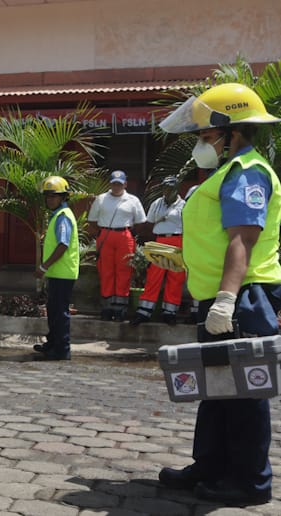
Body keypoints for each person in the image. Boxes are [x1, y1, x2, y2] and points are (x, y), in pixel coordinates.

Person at [157, 82, 281, 505]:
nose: (200, 144)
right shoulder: (227, 172)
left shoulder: (248, 173)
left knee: (244, 393)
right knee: (217, 388)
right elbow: (215, 238)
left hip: (243, 298)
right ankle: (210, 465)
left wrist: (226, 301)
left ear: (232, 132)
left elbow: (243, 239)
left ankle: (250, 483)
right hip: (222, 295)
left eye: (206, 136)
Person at [87, 170, 146, 321]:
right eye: (114, 183)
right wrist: (99, 235)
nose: (116, 187)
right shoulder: (101, 199)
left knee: (124, 271)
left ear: (125, 184)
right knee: (105, 271)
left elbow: (140, 222)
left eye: (119, 184)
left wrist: (129, 234)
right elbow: (92, 220)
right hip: (105, 235)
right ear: (110, 183)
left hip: (125, 236)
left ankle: (120, 308)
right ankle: (107, 308)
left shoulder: (132, 200)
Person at [32, 176, 79, 361]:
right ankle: (52, 343)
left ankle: (62, 349)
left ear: (63, 197)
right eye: (48, 196)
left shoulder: (63, 218)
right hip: (58, 273)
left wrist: (43, 267)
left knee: (60, 312)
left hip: (63, 273)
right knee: (53, 310)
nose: (50, 199)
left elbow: (63, 245)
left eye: (54, 196)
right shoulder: (57, 216)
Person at [130, 176, 186, 326]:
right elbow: (149, 223)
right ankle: (144, 311)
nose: (166, 191)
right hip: (160, 239)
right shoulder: (157, 203)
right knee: (155, 275)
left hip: (177, 239)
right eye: (165, 188)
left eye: (170, 188)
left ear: (176, 189)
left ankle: (170, 312)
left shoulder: (184, 205)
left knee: (175, 277)